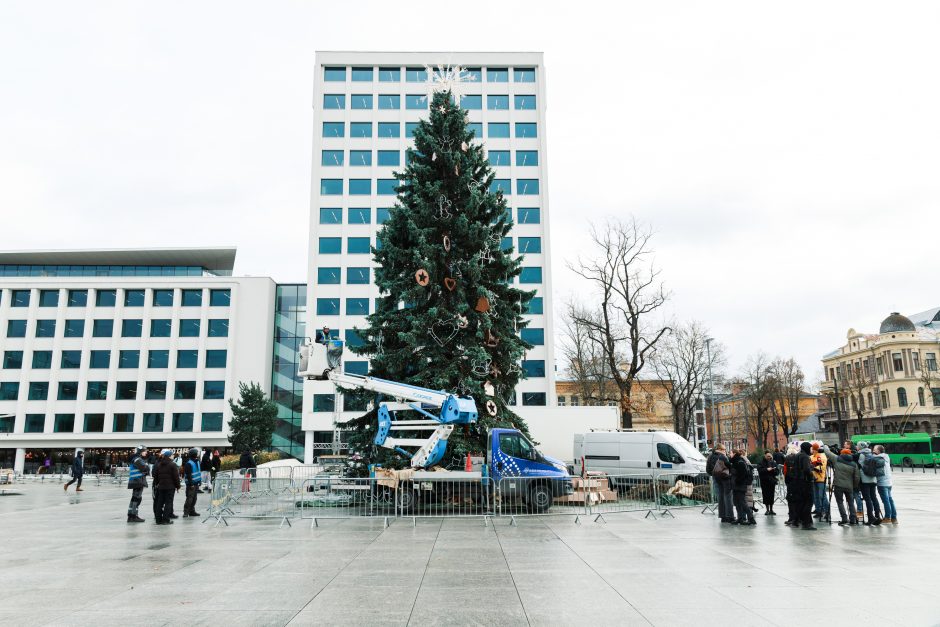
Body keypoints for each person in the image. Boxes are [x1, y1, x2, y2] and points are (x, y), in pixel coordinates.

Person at [824, 446, 859, 525]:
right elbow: (857, 477)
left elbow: (828, 453)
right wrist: (854, 485)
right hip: (849, 486)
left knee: (840, 502)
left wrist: (825, 446)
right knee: (850, 502)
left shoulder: (837, 459)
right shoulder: (854, 464)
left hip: (838, 485)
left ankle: (844, 518)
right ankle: (853, 518)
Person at [706, 444, 734, 523]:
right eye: (724, 449)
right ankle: (730, 516)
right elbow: (729, 467)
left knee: (720, 497)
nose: (725, 450)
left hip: (715, 478)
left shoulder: (710, 457)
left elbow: (708, 470)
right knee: (728, 497)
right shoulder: (723, 456)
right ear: (720, 449)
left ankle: (723, 516)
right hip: (725, 478)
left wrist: (714, 474)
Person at [857, 441, 882, 525]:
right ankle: (877, 516)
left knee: (867, 499)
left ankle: (871, 517)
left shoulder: (861, 455)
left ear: (860, 447)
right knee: (874, 497)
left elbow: (860, 467)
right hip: (873, 479)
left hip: (865, 480)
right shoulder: (871, 454)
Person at [153, 450, 180, 525]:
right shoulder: (172, 464)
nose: (173, 456)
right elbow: (176, 477)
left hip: (161, 487)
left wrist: (157, 484)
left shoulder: (159, 464)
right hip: (170, 487)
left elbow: (156, 476)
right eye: (172, 455)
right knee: (168, 503)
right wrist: (178, 486)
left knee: (160, 503)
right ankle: (165, 520)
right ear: (169, 456)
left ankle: (158, 520)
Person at [729, 448, 756, 525]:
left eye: (730, 453)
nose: (729, 454)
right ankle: (740, 518)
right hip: (736, 485)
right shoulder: (735, 461)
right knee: (737, 502)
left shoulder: (739, 462)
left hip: (740, 485)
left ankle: (751, 518)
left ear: (734, 453)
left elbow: (743, 474)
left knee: (742, 502)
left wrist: (737, 481)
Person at [794, 442, 816, 530]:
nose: (811, 450)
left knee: (802, 503)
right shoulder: (805, 456)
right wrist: (812, 474)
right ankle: (806, 523)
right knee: (808, 502)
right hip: (806, 482)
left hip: (799, 482)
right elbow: (806, 469)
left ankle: (803, 521)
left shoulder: (798, 455)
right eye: (810, 448)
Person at [873, 444, 897, 524]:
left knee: (886, 501)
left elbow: (871, 458)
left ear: (878, 451)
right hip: (889, 482)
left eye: (874, 449)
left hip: (882, 483)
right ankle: (894, 518)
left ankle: (887, 518)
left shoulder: (877, 457)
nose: (873, 450)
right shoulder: (886, 457)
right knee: (890, 500)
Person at [126, 446, 149, 523]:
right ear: (140, 451)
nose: (146, 452)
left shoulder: (136, 458)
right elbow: (144, 468)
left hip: (136, 480)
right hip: (138, 480)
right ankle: (133, 516)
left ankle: (131, 515)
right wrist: (147, 467)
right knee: (137, 498)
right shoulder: (137, 459)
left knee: (134, 498)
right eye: (144, 451)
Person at [810, 443, 829, 521]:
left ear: (815, 449)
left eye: (812, 449)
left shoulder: (822, 456)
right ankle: (819, 511)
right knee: (816, 496)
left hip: (821, 479)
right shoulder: (811, 457)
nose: (811, 450)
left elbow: (821, 468)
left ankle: (827, 512)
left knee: (822, 496)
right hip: (813, 479)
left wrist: (812, 466)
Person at [757, 451, 779, 515]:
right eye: (768, 456)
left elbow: (777, 471)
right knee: (765, 495)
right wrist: (767, 469)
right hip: (764, 481)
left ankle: (771, 509)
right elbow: (760, 470)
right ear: (765, 456)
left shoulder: (773, 462)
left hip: (772, 481)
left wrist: (773, 470)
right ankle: (767, 509)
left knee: (771, 495)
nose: (769, 457)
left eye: (770, 456)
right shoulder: (761, 462)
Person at [182, 448, 202, 517]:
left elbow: (198, 472)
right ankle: (186, 512)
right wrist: (191, 484)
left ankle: (192, 511)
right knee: (189, 498)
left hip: (196, 483)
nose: (198, 454)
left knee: (194, 498)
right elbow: (188, 475)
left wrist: (199, 481)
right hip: (191, 484)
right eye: (197, 453)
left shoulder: (197, 462)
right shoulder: (189, 463)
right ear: (194, 454)